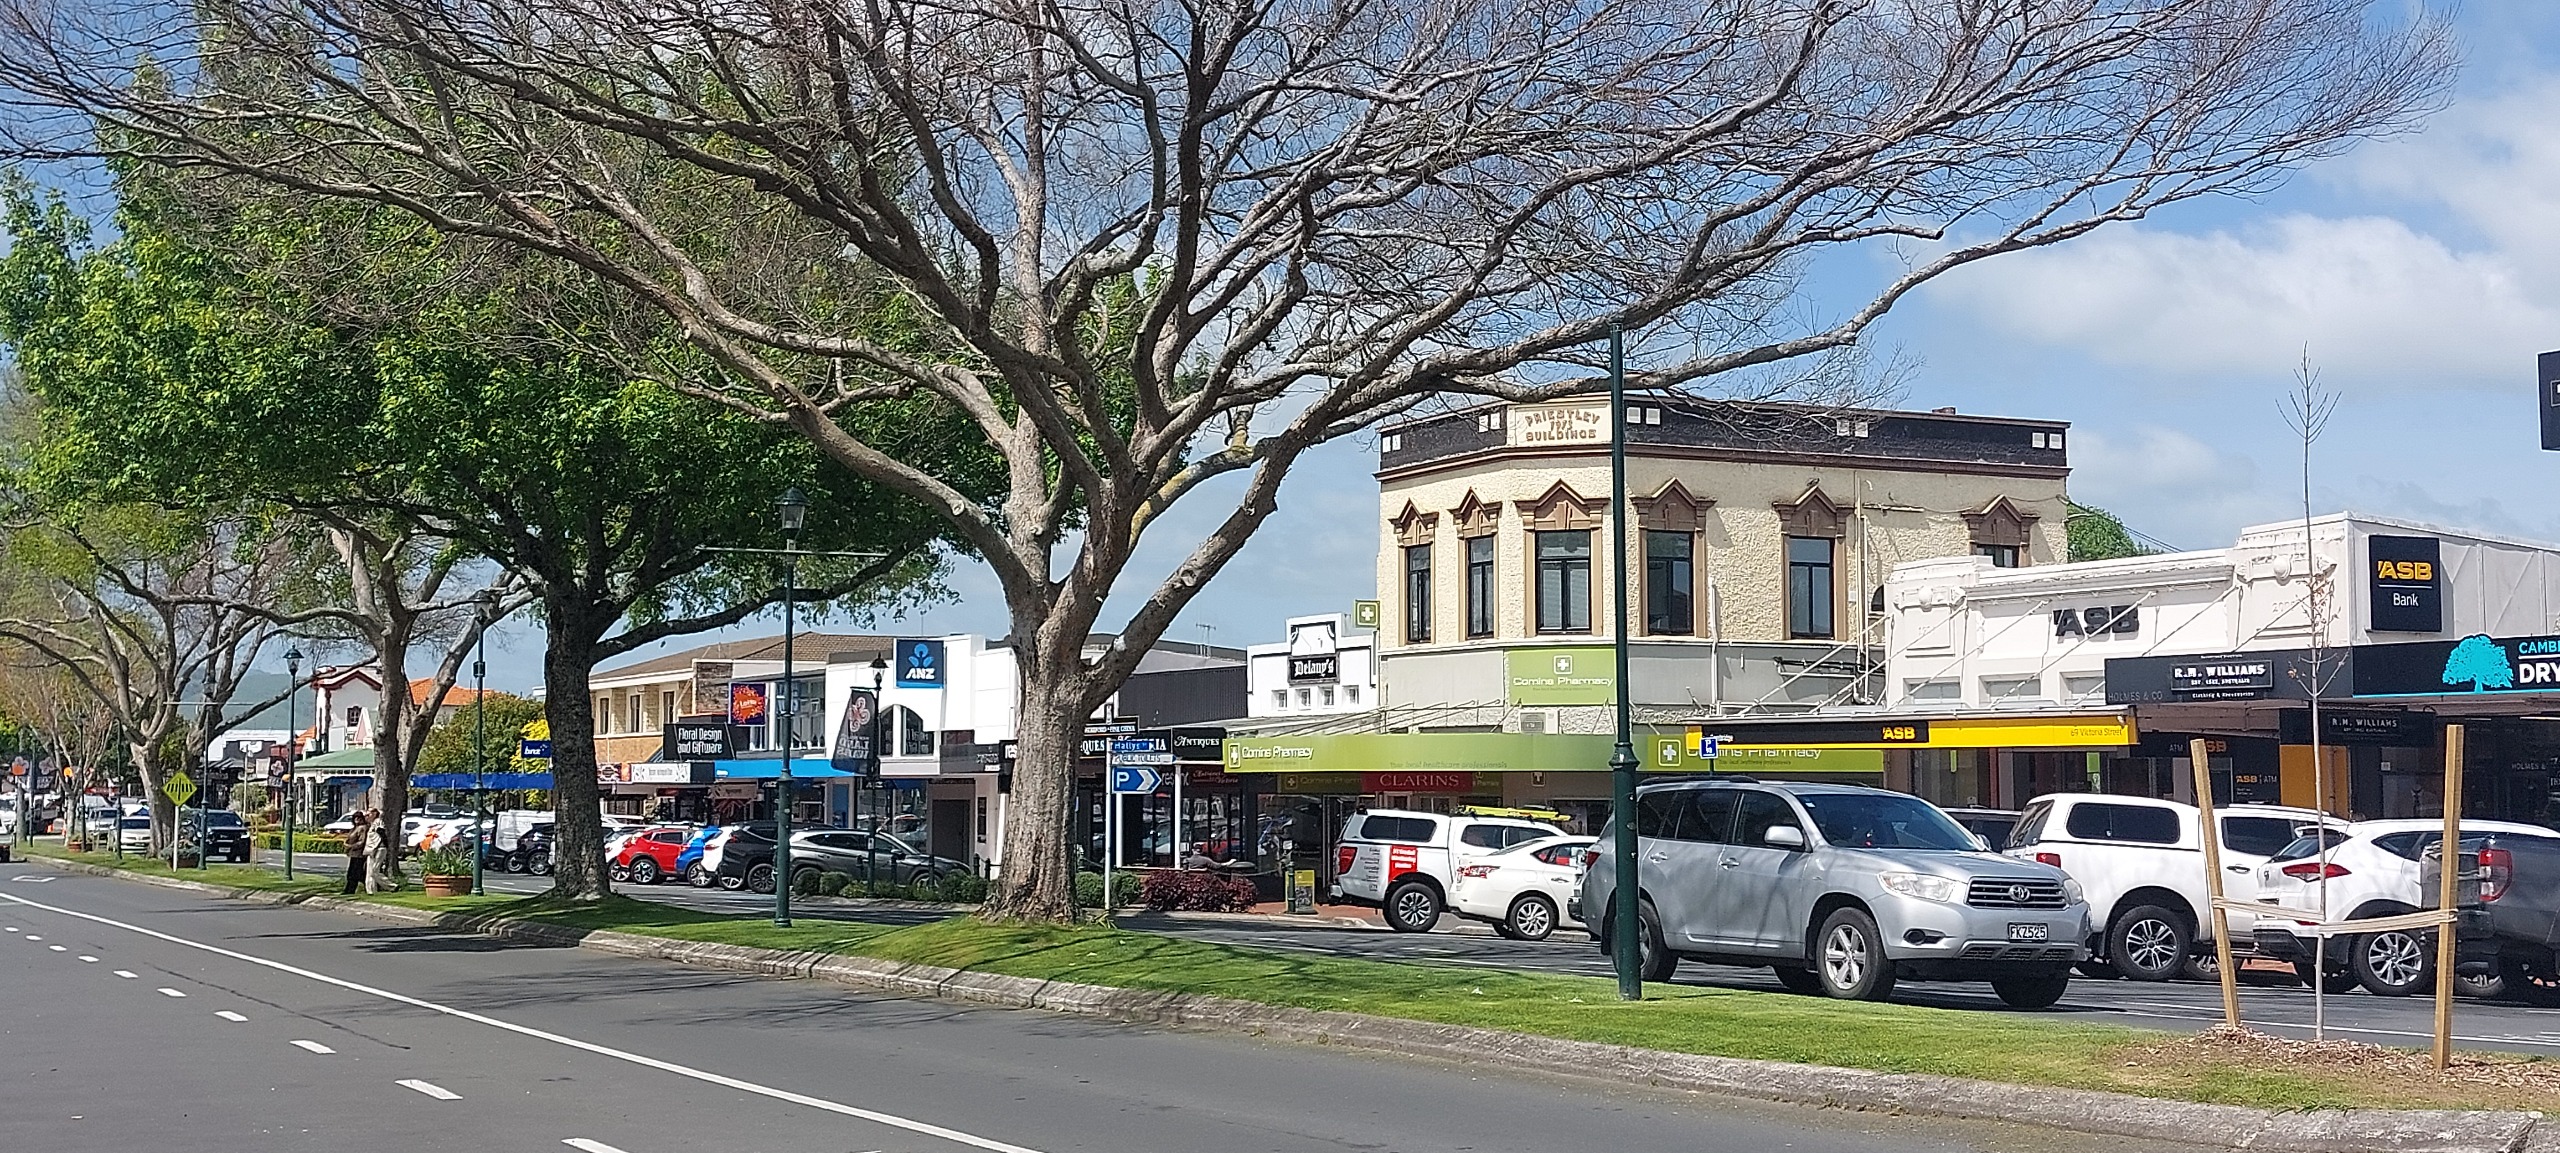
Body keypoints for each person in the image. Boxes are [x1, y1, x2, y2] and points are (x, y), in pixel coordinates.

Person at [339, 812, 370, 894]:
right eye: (355, 817)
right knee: (352, 873)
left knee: (355, 873)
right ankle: (349, 889)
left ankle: (351, 890)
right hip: (353, 854)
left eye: (359, 818)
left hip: (359, 854)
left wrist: (351, 846)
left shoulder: (362, 828)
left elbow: (362, 841)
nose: (357, 819)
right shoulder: (354, 828)